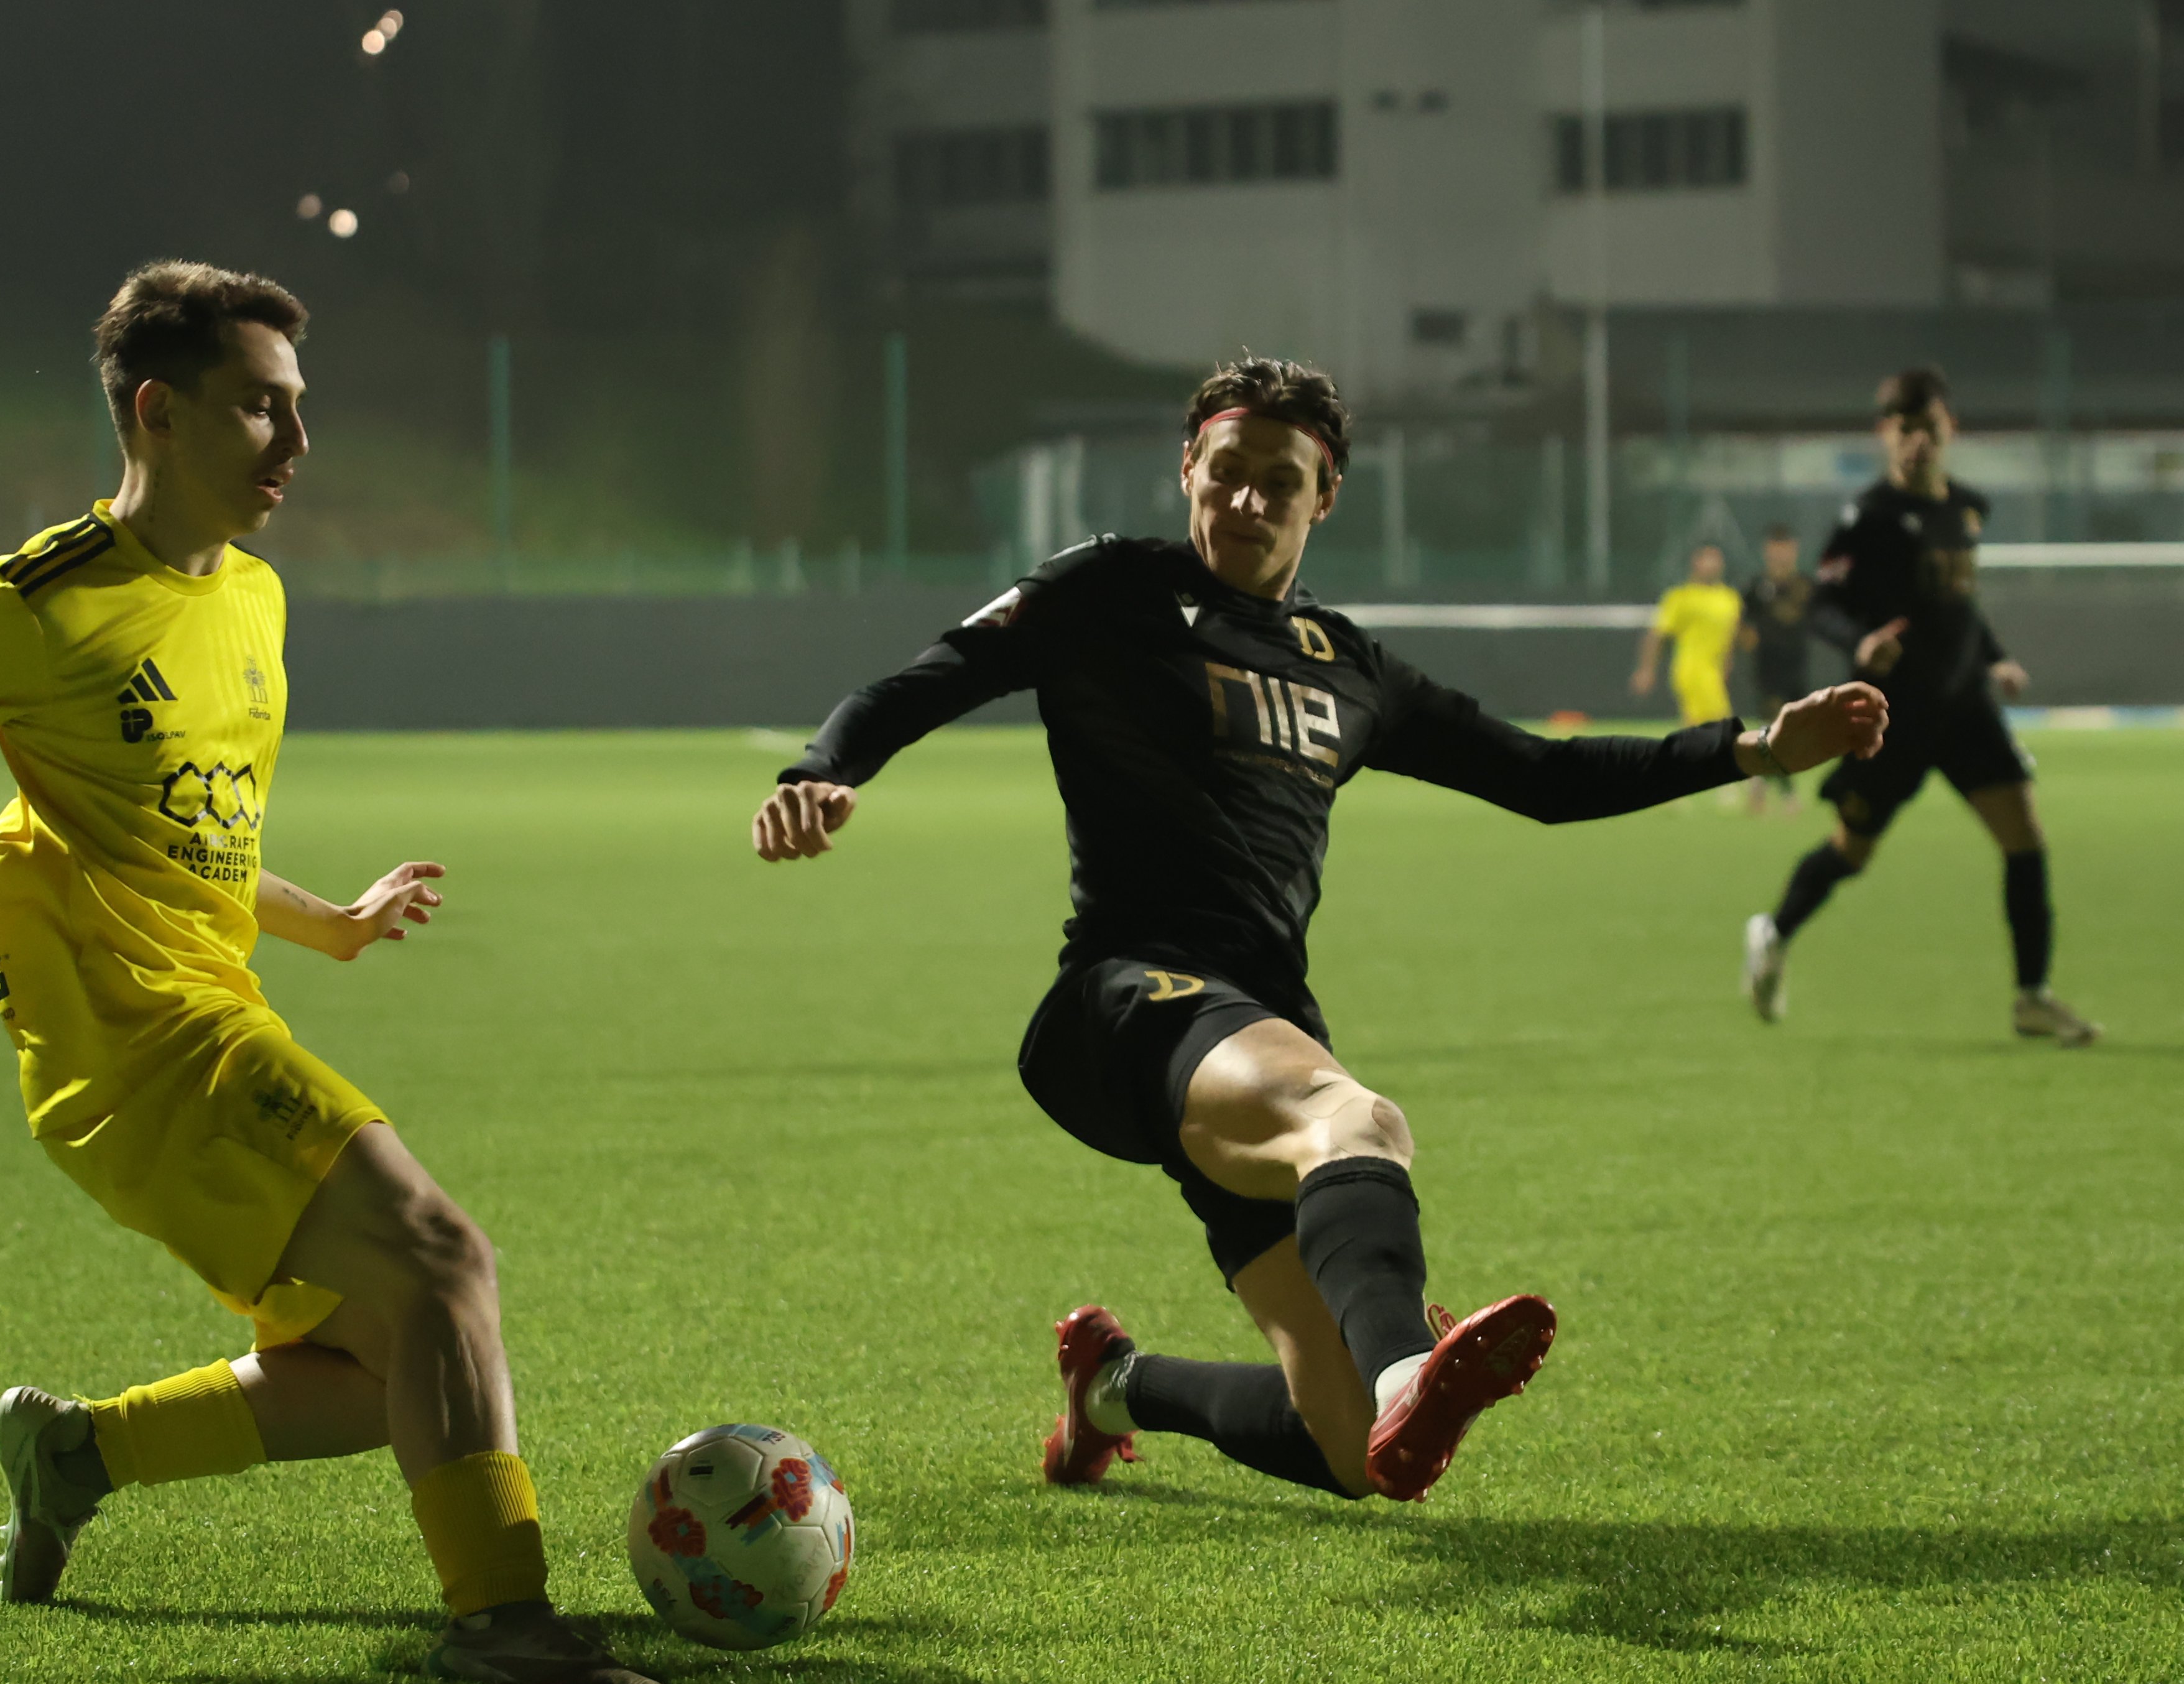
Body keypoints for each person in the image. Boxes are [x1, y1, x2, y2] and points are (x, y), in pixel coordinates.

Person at [751, 357, 1887, 1512]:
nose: (1247, 500)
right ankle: (1409, 1373)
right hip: (1130, 998)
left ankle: (1118, 1389)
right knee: (1360, 1121)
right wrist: (820, 772)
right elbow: (930, 679)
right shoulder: (1109, 589)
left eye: (1280, 482)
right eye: (1227, 472)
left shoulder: (1349, 668)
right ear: (1187, 469)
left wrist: (1752, 750)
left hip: (1259, 1025)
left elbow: (1543, 776)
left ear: (1325, 495)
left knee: (1349, 1453)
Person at [0, 261, 662, 1684]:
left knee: (398, 1362)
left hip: (212, 1011)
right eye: (261, 407)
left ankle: (79, 1451)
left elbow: (187, 841)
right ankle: (501, 1620)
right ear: (158, 412)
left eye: (298, 405)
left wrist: (331, 925)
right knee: (445, 1258)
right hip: (129, 1047)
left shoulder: (254, 597)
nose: (297, 440)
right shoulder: (38, 603)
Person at [1742, 366, 2099, 1043]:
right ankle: (1773, 934)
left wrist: (1994, 657)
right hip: (1890, 719)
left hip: (1965, 709)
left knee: (2024, 838)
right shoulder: (1867, 518)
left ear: (1949, 428)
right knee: (1851, 852)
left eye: (1928, 428)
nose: (1917, 442)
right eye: (1904, 429)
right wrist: (1861, 642)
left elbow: (1958, 606)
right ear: (1885, 433)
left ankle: (2032, 997)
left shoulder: (1966, 509)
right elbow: (1822, 605)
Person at [1737, 526, 1816, 815]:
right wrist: (1748, 641)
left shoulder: (1806, 586)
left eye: (1786, 548)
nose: (1781, 555)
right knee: (1777, 728)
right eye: (1775, 548)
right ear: (1767, 551)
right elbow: (1742, 621)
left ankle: (1758, 780)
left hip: (1796, 669)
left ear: (1794, 550)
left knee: (1789, 733)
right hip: (1768, 671)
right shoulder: (1757, 587)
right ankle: (1788, 795)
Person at [1631, 542, 1744, 726]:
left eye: (1716, 559)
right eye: (1707, 558)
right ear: (1695, 562)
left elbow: (1730, 637)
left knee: (1706, 726)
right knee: (1718, 724)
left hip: (1714, 672)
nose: (1712, 564)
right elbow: (1656, 635)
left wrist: (1727, 664)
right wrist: (1646, 670)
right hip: (1691, 670)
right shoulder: (1680, 597)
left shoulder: (1731, 599)